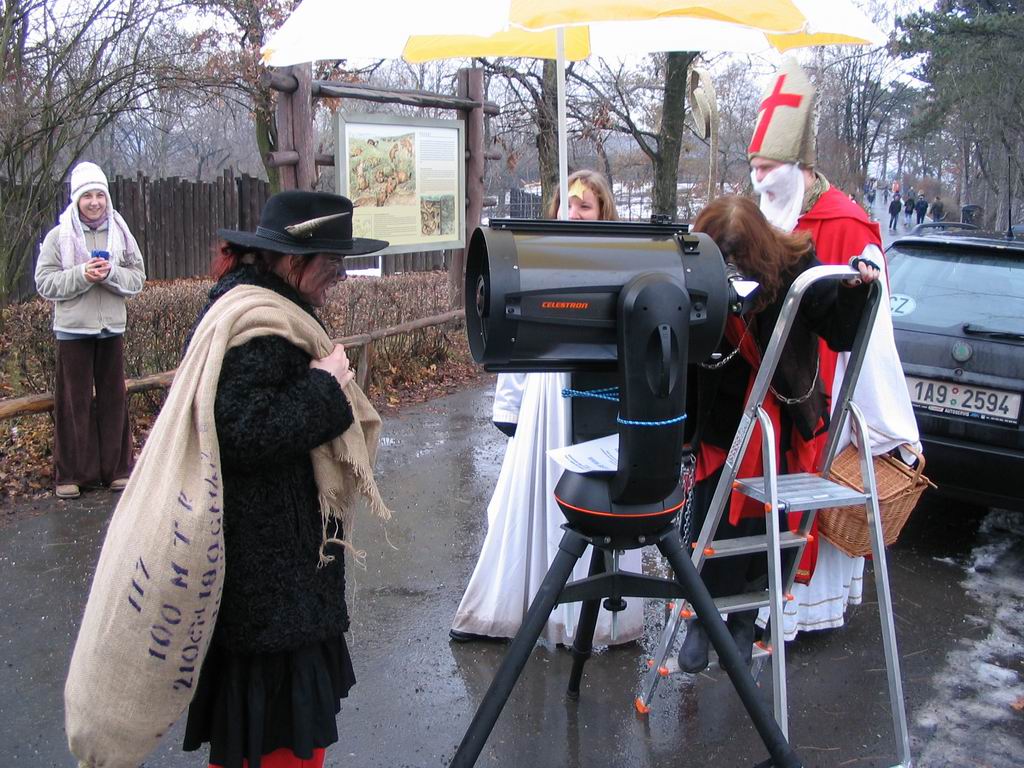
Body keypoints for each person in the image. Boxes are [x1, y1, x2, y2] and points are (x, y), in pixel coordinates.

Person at [180, 191, 389, 768]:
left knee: (267, 732)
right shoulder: (260, 327)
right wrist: (327, 385)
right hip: (269, 584)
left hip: (274, 579)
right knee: (276, 736)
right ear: (295, 264)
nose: (340, 277)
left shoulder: (259, 309)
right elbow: (242, 431)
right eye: (333, 265)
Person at [744, 58, 920, 644]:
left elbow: (871, 338)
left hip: (824, 399)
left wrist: (879, 424)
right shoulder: (760, 221)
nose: (760, 186)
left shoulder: (848, 224)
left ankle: (793, 614)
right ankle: (749, 608)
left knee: (807, 497)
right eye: (753, 172)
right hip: (759, 391)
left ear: (800, 168)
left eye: (769, 173)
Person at [677, 195, 881, 672]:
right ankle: (701, 619)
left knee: (760, 524)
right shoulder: (689, 266)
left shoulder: (792, 264)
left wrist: (855, 289)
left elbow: (840, 329)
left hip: (780, 413)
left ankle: (746, 619)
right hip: (719, 415)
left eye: (738, 263)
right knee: (711, 514)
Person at [450, 169, 644, 647]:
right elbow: (521, 328)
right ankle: (523, 607)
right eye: (566, 204)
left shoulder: (627, 258)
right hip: (549, 396)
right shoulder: (541, 255)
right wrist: (512, 406)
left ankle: (596, 620)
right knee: (537, 494)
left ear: (604, 212)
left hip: (602, 395)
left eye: (584, 206)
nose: (572, 213)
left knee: (595, 497)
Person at [34, 161, 146, 499]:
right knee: (73, 404)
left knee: (114, 400)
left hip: (111, 328)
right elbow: (44, 283)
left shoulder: (121, 234)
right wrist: (82, 275)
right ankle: (70, 475)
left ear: (107, 198)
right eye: (87, 196)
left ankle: (117, 470)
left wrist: (111, 274)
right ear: (76, 200)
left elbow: (137, 278)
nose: (94, 202)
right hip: (73, 330)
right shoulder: (59, 236)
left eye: (100, 195)